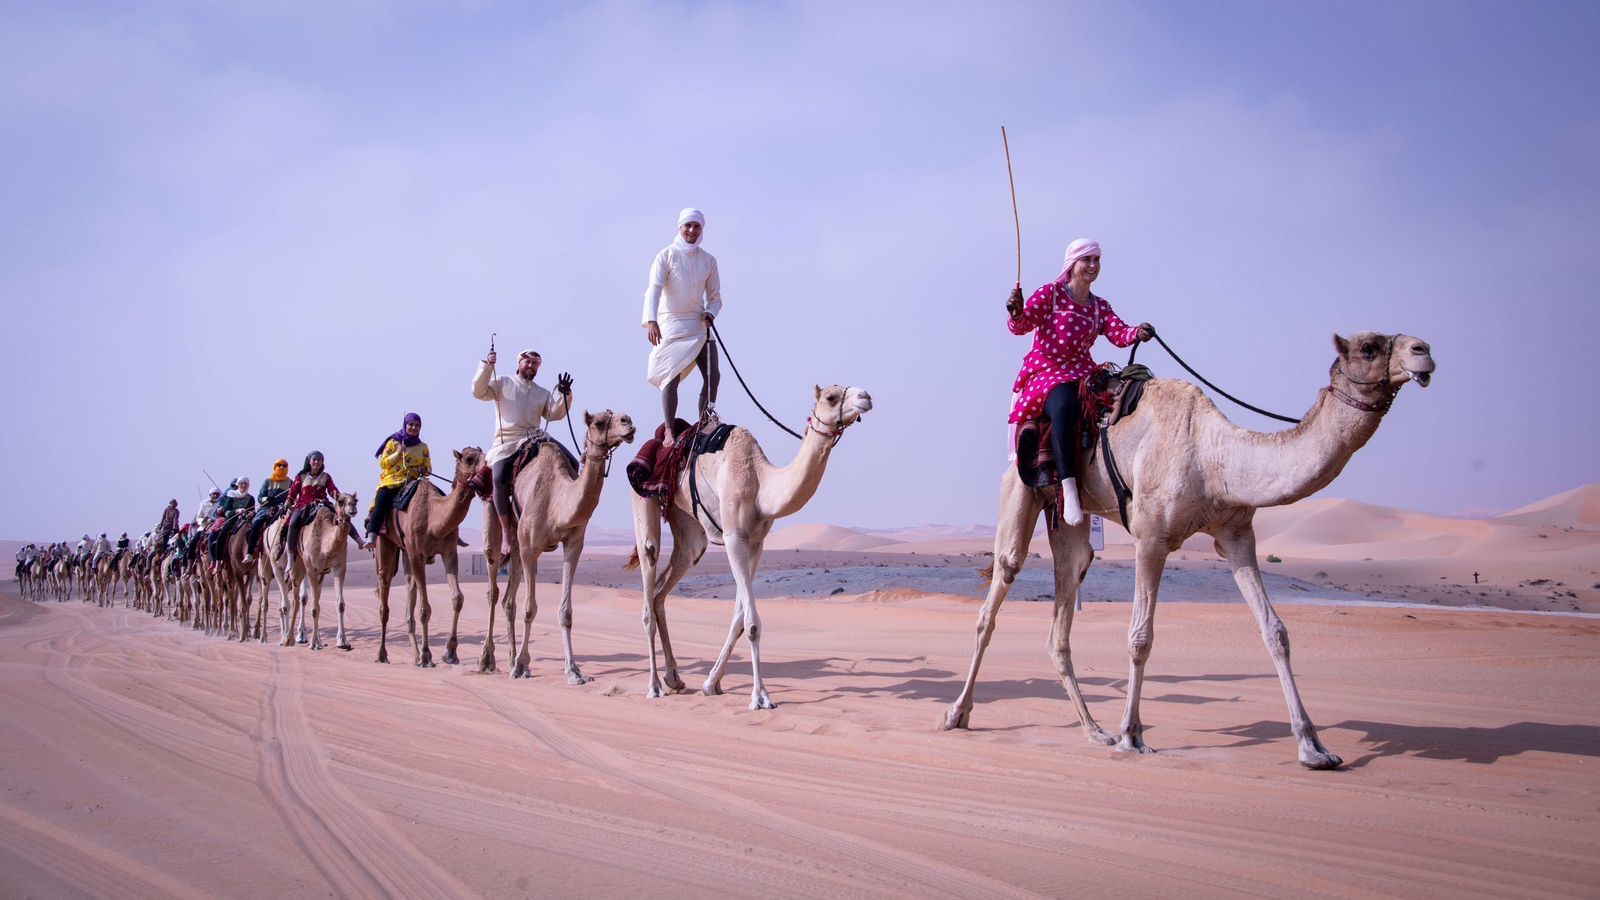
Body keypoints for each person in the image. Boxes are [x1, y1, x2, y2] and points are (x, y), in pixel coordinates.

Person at [1006, 238, 1153, 526]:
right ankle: (1070, 488)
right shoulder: (1051, 294)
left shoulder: (1099, 306)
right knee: (1063, 406)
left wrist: (1138, 332)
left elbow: (1119, 333)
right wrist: (1015, 311)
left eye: (1097, 260)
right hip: (1047, 371)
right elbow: (1021, 326)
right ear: (1073, 263)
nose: (1093, 266)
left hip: (1083, 371)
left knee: (1128, 395)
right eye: (1088, 260)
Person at [472, 349, 571, 560]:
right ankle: (507, 533)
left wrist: (565, 395)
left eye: (535, 363)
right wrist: (488, 366)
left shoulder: (543, 393)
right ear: (519, 363)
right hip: (506, 442)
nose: (531, 366)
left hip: (534, 438)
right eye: (528, 362)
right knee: (498, 478)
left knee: (570, 461)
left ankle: (558, 521)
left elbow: (555, 414)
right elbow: (478, 392)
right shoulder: (503, 382)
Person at [642, 207, 722, 448]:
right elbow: (653, 289)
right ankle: (668, 430)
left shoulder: (709, 260)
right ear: (680, 227)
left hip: (699, 324)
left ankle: (705, 421)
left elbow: (716, 297)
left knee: (713, 375)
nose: (691, 230)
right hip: (671, 324)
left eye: (696, 226)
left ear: (701, 229)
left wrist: (711, 312)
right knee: (670, 378)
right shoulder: (665, 256)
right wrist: (651, 320)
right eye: (688, 226)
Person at [279, 451, 365, 564]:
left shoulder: (326, 477)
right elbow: (293, 493)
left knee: (343, 516)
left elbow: (332, 490)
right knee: (292, 523)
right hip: (303, 505)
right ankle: (290, 557)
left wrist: (341, 498)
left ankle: (359, 541)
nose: (316, 462)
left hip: (322, 503)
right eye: (314, 459)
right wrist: (288, 502)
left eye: (319, 460)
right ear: (309, 461)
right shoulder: (301, 477)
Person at [366, 412, 431, 545]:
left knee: (435, 497)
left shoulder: (423, 447)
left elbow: (429, 468)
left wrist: (424, 470)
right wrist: (397, 453)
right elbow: (383, 463)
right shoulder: (393, 442)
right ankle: (372, 536)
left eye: (417, 425)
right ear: (405, 425)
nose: (414, 427)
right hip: (393, 481)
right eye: (411, 424)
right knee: (381, 503)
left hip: (414, 481)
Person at [245, 459, 292, 563]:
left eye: (284, 465)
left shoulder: (290, 482)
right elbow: (260, 497)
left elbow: (292, 497)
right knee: (256, 524)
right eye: (279, 465)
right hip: (267, 507)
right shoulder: (268, 481)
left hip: (283, 508)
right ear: (275, 467)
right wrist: (266, 499)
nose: (281, 467)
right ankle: (250, 553)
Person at [209, 476, 255, 570]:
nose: (243, 485)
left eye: (245, 484)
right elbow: (226, 511)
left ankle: (252, 555)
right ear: (237, 485)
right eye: (241, 483)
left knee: (255, 533)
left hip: (245, 520)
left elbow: (252, 510)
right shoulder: (231, 495)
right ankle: (217, 562)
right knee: (221, 536)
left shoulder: (251, 498)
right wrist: (237, 511)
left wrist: (251, 513)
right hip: (232, 519)